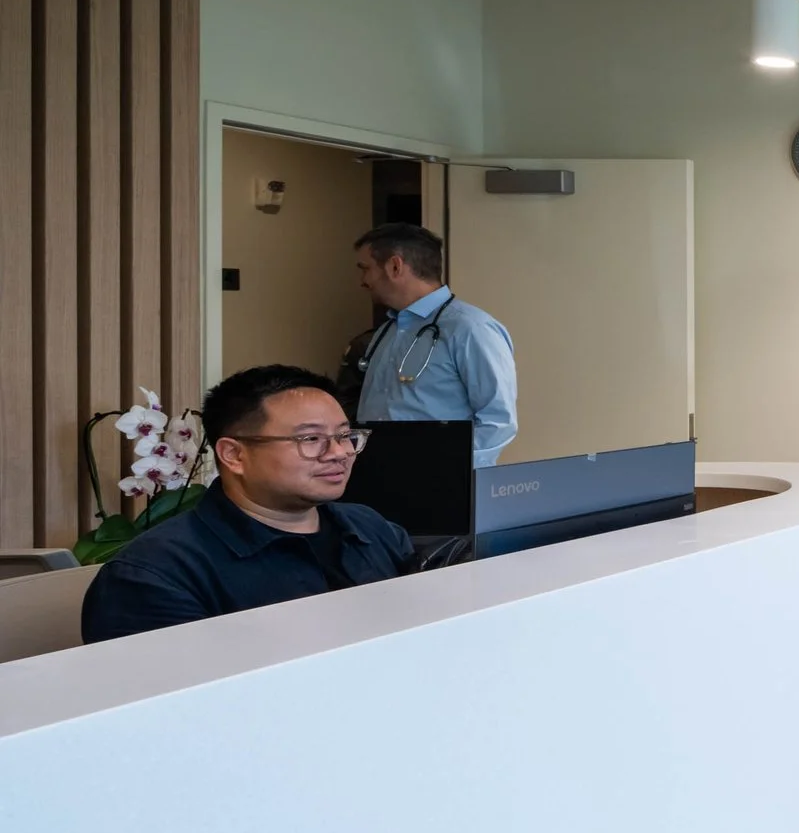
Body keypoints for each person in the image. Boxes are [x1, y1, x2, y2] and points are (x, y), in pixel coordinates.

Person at [81, 366, 412, 643]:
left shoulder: (370, 528)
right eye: (311, 439)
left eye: (343, 436)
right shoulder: (155, 574)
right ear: (234, 455)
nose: (340, 453)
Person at [352, 223, 519, 467]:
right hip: (381, 472)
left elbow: (498, 422)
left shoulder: (470, 328)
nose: (362, 281)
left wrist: (446, 468)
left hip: (441, 478)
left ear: (395, 266)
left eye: (365, 269)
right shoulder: (388, 331)